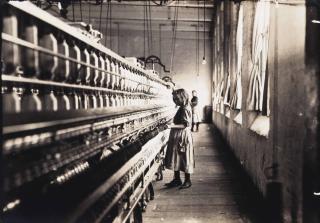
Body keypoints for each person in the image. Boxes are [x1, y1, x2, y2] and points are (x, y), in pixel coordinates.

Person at [164, 88, 195, 189]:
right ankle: (177, 179)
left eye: (177, 99)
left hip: (183, 135)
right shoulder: (182, 107)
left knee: (185, 157)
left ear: (183, 98)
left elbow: (185, 125)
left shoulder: (186, 108)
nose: (175, 101)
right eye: (174, 99)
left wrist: (170, 126)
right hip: (177, 135)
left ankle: (187, 180)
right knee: (176, 156)